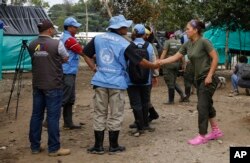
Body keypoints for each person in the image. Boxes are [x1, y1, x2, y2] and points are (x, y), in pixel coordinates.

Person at [83, 15, 160, 154]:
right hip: (116, 83)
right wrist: (154, 65)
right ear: (119, 28)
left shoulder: (98, 38)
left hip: (100, 82)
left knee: (100, 113)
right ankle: (113, 146)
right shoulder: (124, 43)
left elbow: (85, 54)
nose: (127, 28)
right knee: (115, 114)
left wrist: (94, 68)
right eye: (125, 26)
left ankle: (98, 146)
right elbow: (140, 61)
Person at [160, 19, 223, 145]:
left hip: (208, 78)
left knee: (202, 106)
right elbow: (176, 56)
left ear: (195, 30)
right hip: (198, 79)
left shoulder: (204, 42)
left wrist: (210, 75)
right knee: (207, 104)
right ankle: (216, 131)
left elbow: (215, 58)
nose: (186, 31)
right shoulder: (187, 44)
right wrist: (160, 62)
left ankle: (202, 135)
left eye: (188, 29)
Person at [28, 20, 71, 156]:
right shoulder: (57, 44)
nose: (53, 31)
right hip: (53, 84)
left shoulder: (32, 44)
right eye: (53, 28)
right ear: (49, 30)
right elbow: (66, 58)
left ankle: (35, 147)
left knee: (36, 115)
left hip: (38, 84)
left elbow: (35, 58)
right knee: (53, 117)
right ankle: (54, 148)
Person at [127, 24, 157, 137]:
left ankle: (139, 127)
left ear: (133, 34)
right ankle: (145, 125)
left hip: (131, 80)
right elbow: (154, 62)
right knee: (145, 102)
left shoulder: (128, 46)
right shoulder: (149, 46)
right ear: (145, 34)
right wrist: (155, 76)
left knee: (136, 104)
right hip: (146, 80)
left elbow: (125, 63)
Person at [60, 17, 84, 129]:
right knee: (65, 97)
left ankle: (68, 123)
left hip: (69, 70)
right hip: (67, 71)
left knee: (70, 98)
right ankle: (48, 120)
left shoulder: (66, 37)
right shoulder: (69, 40)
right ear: (69, 27)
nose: (77, 28)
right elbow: (82, 52)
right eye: (75, 27)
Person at [160, 33, 187, 104]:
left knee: (170, 82)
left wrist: (160, 62)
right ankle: (183, 94)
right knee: (173, 81)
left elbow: (164, 53)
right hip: (177, 64)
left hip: (168, 64)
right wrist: (183, 64)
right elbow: (182, 55)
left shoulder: (167, 42)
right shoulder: (179, 43)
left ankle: (171, 100)